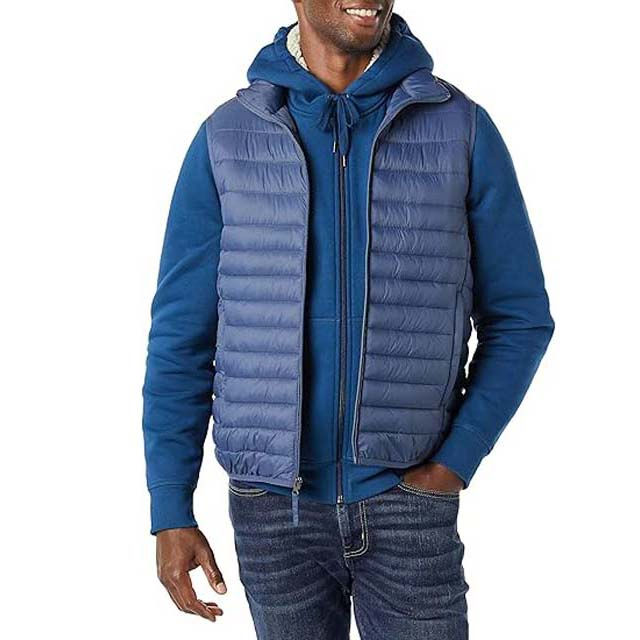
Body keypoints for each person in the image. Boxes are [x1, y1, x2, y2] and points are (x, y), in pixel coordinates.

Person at [142, 2, 555, 638]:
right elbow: (181, 337)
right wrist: (170, 505)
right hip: (271, 510)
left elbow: (521, 319)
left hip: (407, 499)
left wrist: (455, 460)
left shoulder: (460, 128)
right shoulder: (229, 137)